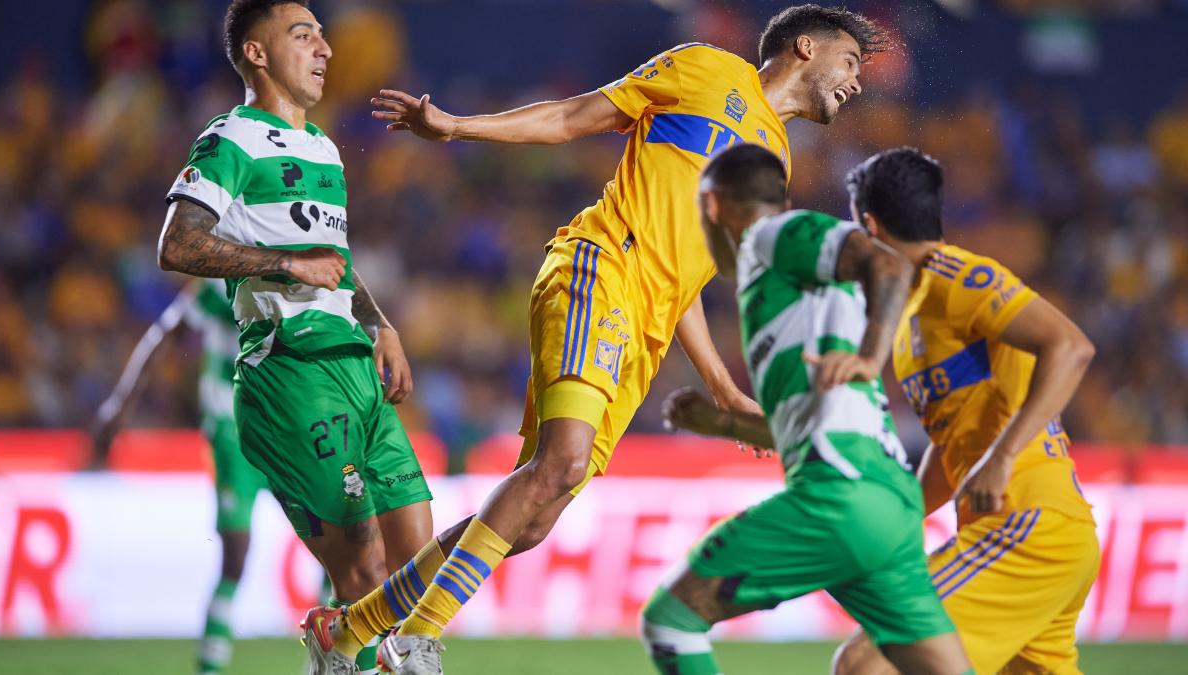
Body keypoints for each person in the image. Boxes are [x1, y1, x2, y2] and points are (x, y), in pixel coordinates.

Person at [315, 6, 887, 673]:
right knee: (558, 464)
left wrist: (723, 384)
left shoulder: (773, 162)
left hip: (640, 328)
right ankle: (413, 641)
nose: (855, 82)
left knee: (531, 521)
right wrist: (456, 127)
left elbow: (685, 278)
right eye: (849, 63)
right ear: (806, 47)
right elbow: (575, 115)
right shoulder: (709, 69)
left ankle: (350, 626)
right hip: (600, 269)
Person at [157, 2, 433, 673]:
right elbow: (177, 244)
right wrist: (283, 264)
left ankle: (334, 641)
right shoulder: (230, 139)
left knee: (418, 560)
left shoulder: (324, 149)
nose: (325, 48)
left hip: (356, 369)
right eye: (303, 34)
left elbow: (332, 260)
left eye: (321, 33)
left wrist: (381, 324)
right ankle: (350, 650)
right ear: (257, 53)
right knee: (363, 567)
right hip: (290, 371)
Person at [649, 143, 972, 675]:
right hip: (890, 503)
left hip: (839, 492)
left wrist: (870, 356)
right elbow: (811, 425)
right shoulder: (789, 292)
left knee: (673, 618)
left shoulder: (769, 237)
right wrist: (722, 422)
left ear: (710, 206)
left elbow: (887, 266)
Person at [832, 148, 1099, 675]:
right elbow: (950, 436)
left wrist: (1001, 458)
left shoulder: (955, 276)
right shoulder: (913, 312)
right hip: (1024, 535)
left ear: (870, 226)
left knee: (866, 663)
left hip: (1027, 522)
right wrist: (903, 516)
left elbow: (1071, 347)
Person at [92, 279, 265, 675]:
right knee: (236, 556)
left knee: (335, 539)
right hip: (232, 430)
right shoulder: (222, 282)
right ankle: (209, 667)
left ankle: (336, 657)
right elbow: (166, 334)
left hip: (290, 428)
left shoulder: (298, 274)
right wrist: (122, 402)